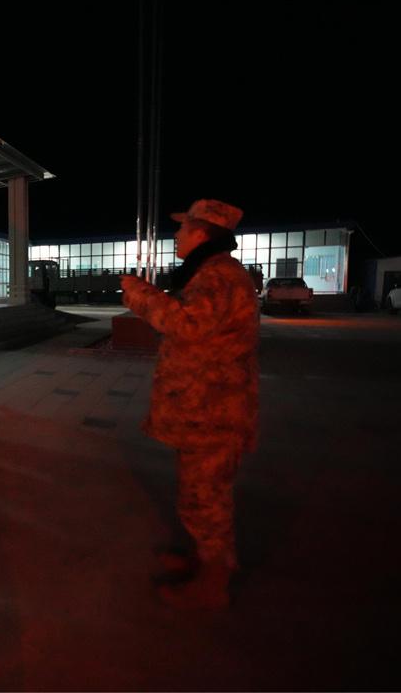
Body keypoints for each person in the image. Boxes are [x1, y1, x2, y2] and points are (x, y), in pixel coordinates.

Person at [119, 199, 259, 611]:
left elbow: (187, 323)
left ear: (200, 233)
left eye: (182, 229)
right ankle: (204, 560)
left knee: (205, 498)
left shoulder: (219, 276)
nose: (177, 236)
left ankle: (213, 582)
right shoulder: (213, 272)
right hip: (204, 409)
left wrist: (140, 294)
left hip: (212, 413)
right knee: (199, 493)